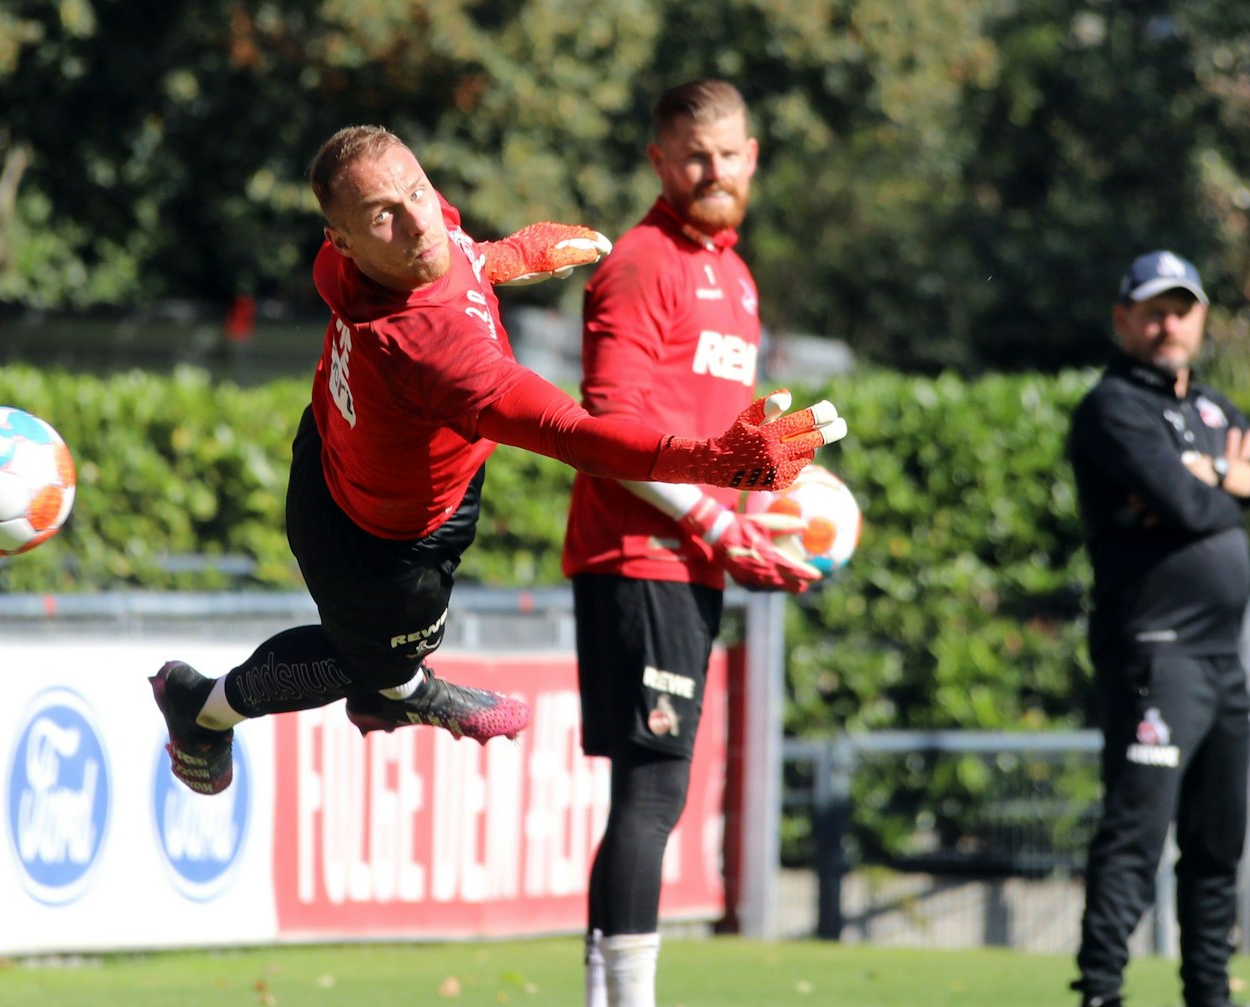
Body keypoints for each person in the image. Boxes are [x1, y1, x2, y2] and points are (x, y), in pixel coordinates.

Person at [149, 124, 848, 798]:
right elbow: (578, 435)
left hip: (334, 455)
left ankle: (386, 686)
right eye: (383, 214)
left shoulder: (383, 247)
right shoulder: (431, 351)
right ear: (345, 242)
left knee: (379, 654)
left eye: (416, 192)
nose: (419, 222)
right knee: (369, 662)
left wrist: (504, 256)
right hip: (384, 544)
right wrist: (713, 459)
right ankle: (210, 707)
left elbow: (454, 248)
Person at [560, 79, 816, 1007]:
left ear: (752, 154)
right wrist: (714, 522)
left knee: (647, 791)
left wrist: (749, 507)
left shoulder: (737, 278)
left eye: (727, 154)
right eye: (690, 156)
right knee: (652, 790)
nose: (711, 172)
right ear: (661, 163)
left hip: (690, 554)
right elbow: (607, 429)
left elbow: (709, 438)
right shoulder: (638, 263)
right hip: (640, 554)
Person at [1067, 250, 1250, 1007]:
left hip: (1221, 656)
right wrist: (1222, 483)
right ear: (1124, 319)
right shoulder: (1112, 408)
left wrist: (1220, 475)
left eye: (1183, 308)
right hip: (1154, 650)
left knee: (1216, 838)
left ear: (1200, 317)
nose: (1170, 324)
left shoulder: (1209, 408)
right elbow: (1184, 504)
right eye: (1153, 309)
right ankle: (1100, 1000)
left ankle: (1211, 1001)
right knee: (1136, 828)